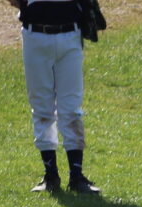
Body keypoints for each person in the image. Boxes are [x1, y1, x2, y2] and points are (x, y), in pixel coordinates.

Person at [8, 0, 106, 194]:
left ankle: (77, 177)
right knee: (41, 106)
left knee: (71, 109)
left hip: (70, 35)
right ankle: (50, 176)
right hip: (35, 35)